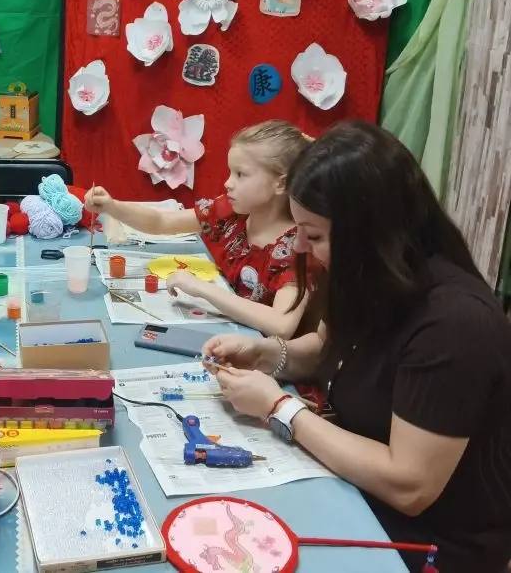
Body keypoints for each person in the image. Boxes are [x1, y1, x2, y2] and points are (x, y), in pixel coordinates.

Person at [203, 121, 511, 572]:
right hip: (352, 489)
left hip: (425, 544)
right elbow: (326, 349)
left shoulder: (455, 324)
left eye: (315, 235)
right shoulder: (367, 277)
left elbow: (409, 485)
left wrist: (280, 409)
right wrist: (267, 354)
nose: (300, 247)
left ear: (372, 232)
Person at [85, 120, 313, 338]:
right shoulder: (230, 211)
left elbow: (282, 325)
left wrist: (200, 288)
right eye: (230, 172)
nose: (228, 183)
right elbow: (162, 222)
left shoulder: (296, 248)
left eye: (241, 174)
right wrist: (112, 206)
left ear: (280, 183)